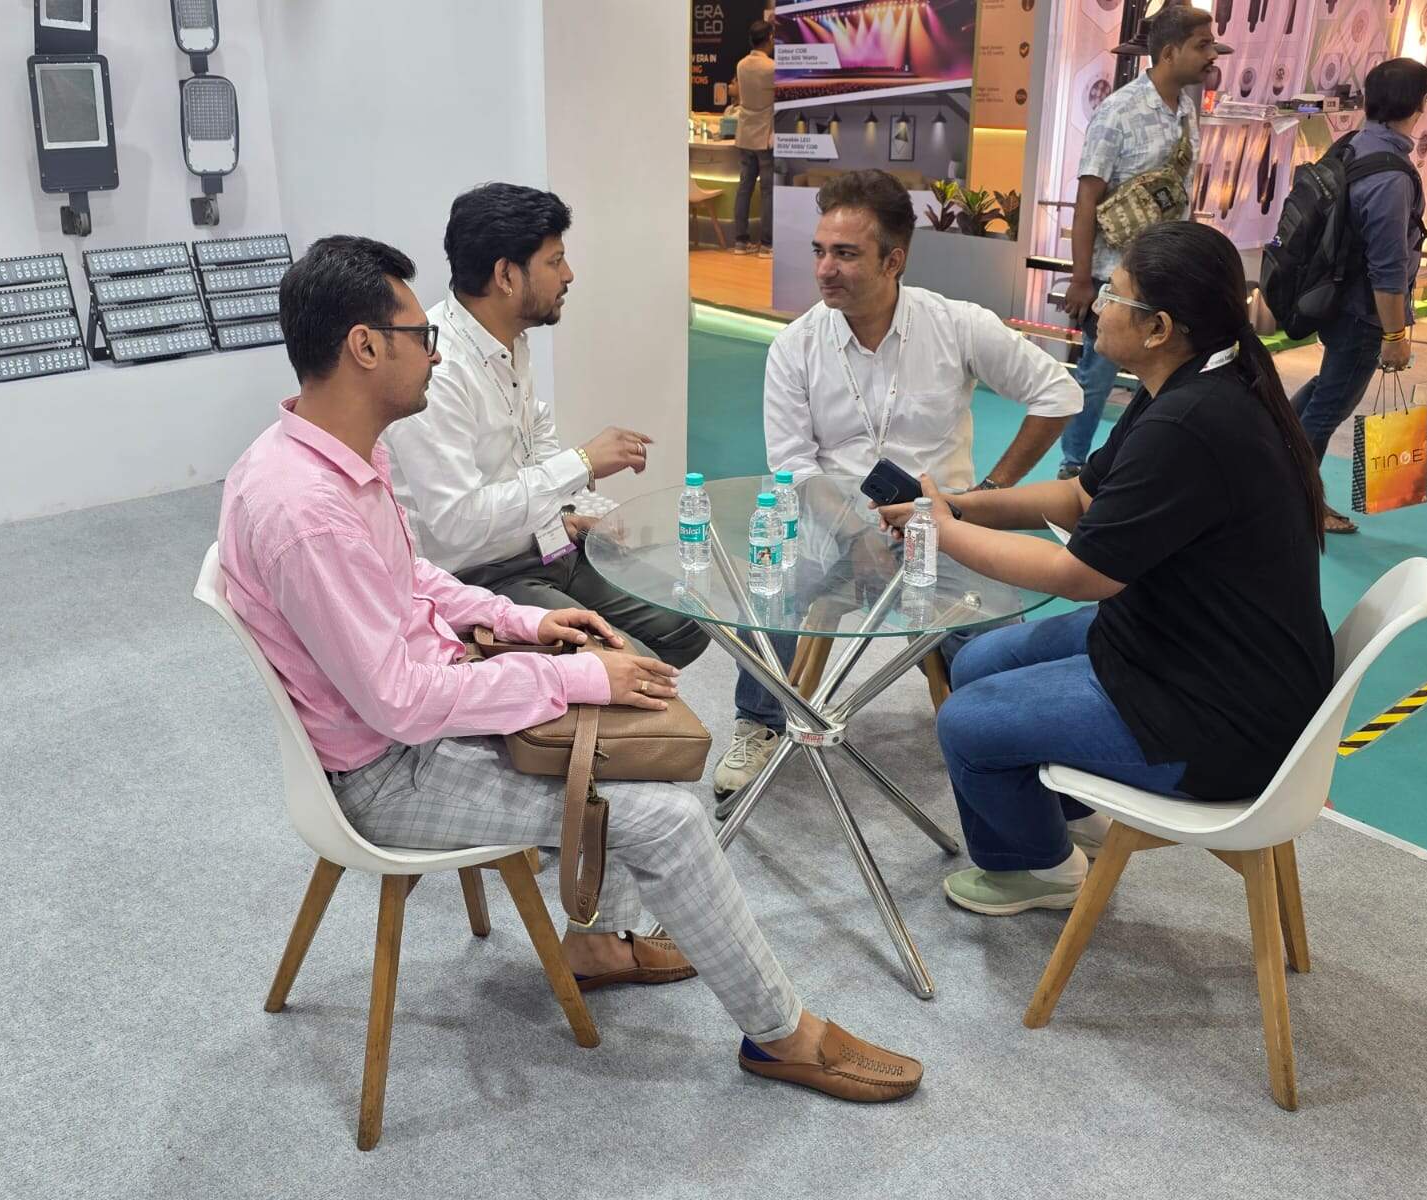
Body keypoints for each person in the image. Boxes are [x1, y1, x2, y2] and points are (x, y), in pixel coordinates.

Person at [218, 234, 922, 1100]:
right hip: (384, 771)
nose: (433, 352)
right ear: (365, 347)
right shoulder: (305, 510)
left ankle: (596, 942)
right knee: (666, 816)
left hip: (411, 715)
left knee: (626, 720)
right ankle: (783, 1036)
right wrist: (572, 677)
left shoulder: (332, 454)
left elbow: (413, 578)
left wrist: (527, 622)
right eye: (418, 336)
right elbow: (400, 703)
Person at [875, 222, 1333, 915]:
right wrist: (963, 507)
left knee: (966, 723)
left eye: (1113, 295)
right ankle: (1066, 816)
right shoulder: (1186, 384)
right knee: (978, 660)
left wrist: (941, 532)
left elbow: (1080, 575)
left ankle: (1039, 870)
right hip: (1189, 646)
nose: (1094, 306)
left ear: (1159, 328)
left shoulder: (1189, 424)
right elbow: (1082, 497)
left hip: (1219, 714)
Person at [714, 168, 1081, 801]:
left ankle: (1001, 746)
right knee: (767, 594)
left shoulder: (956, 324)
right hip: (832, 522)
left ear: (894, 260)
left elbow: (1059, 393)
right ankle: (759, 720)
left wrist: (987, 496)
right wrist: (855, 533)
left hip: (943, 529)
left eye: (845, 254)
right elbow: (795, 466)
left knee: (998, 639)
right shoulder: (797, 346)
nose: (824, 269)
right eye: (819, 251)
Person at [386, 183, 707, 668]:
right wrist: (581, 463)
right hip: (478, 575)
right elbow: (458, 524)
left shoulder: (508, 338)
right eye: (555, 261)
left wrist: (561, 514)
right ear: (505, 275)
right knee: (637, 667)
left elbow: (531, 428)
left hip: (541, 548)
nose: (569, 274)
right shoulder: (439, 368)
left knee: (688, 622)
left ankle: (590, 703)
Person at [1056, 4, 1215, 480]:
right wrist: (1081, 278)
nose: (1211, 55)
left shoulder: (1186, 111)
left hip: (1168, 274)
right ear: (1169, 53)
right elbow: (1087, 198)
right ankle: (1072, 468)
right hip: (1116, 276)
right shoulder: (1118, 111)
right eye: (1202, 46)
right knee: (1096, 377)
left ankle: (1139, 467)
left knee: (1165, 376)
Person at [1289, 57, 1427, 535]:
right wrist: (1395, 335)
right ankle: (1300, 503)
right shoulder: (1391, 176)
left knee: (1325, 391)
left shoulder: (1353, 144)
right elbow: (1388, 269)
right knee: (1330, 406)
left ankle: (1273, 465)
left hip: (1335, 297)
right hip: (1363, 313)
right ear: (1419, 104)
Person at [733, 19, 776, 257]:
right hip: (765, 135)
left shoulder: (741, 65)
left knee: (744, 188)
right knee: (768, 191)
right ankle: (767, 244)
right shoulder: (772, 68)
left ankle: (740, 241)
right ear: (769, 38)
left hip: (745, 133)